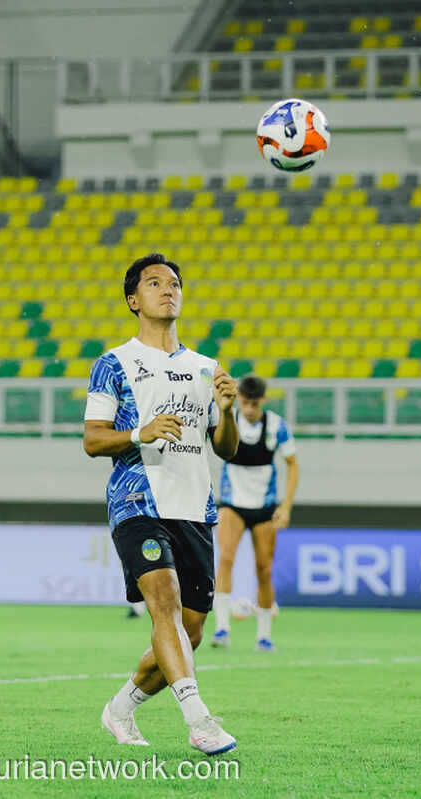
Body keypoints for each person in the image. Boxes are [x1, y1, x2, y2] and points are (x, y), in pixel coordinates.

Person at [84, 252, 240, 755]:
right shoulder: (114, 363)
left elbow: (226, 448)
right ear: (134, 300)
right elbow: (92, 439)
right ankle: (199, 721)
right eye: (154, 283)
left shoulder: (206, 368)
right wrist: (140, 432)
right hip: (137, 501)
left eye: (174, 283)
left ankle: (120, 709)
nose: (167, 289)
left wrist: (227, 412)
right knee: (165, 606)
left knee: (188, 633)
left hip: (194, 506)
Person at [211, 375, 297, 653]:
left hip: (264, 507)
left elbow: (293, 465)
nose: (248, 409)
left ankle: (264, 636)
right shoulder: (228, 419)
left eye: (254, 404)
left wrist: (286, 506)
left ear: (263, 400)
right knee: (225, 559)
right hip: (232, 504)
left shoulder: (276, 426)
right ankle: (222, 629)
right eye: (245, 403)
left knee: (265, 569)